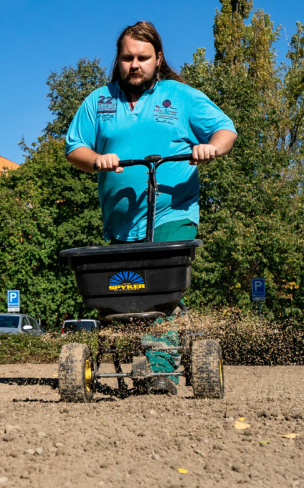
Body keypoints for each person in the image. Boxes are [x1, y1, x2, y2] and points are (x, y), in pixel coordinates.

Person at [65, 21, 237, 395]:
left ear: (158, 59)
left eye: (143, 57)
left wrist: (212, 148)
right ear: (118, 59)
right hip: (121, 223)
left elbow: (226, 130)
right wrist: (96, 160)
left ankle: (159, 372)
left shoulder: (182, 97)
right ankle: (143, 356)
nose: (135, 64)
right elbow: (74, 147)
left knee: (160, 293)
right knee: (126, 299)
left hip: (174, 212)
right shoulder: (99, 101)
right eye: (128, 57)